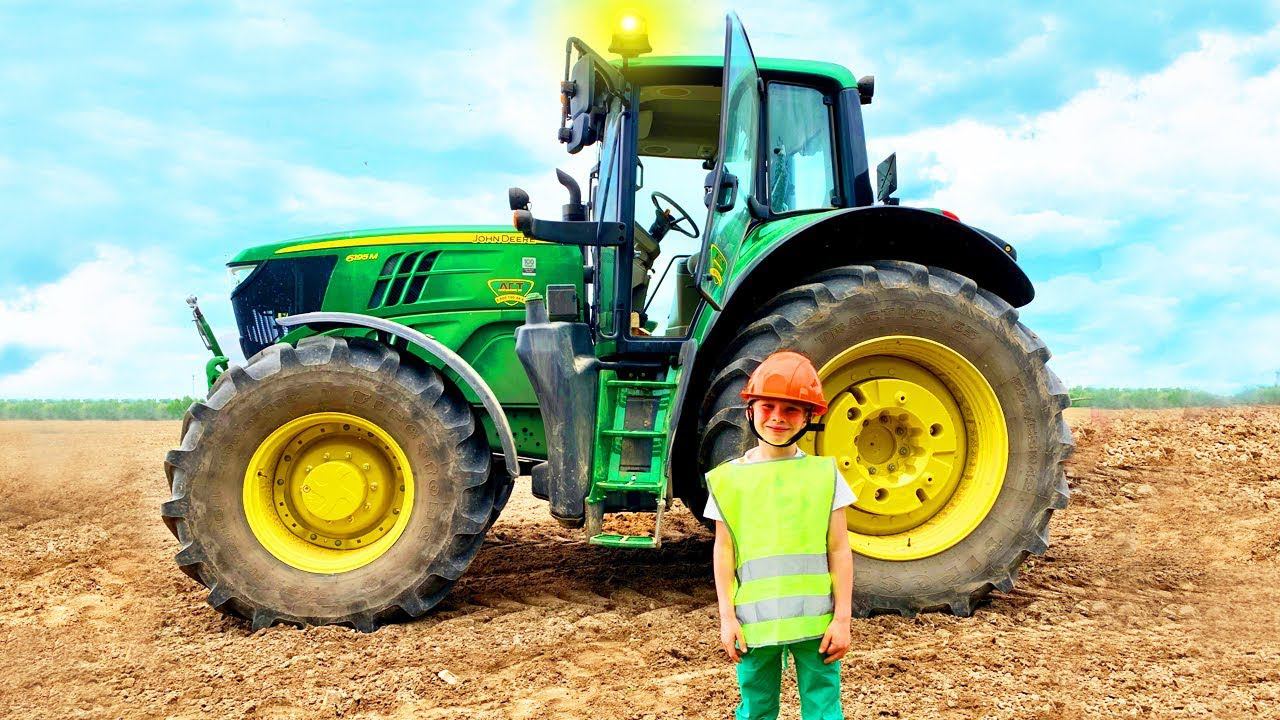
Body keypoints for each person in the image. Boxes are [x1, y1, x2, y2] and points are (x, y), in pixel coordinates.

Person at [704, 350, 854, 720]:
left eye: (791, 409)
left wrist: (842, 619)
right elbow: (724, 552)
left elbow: (839, 549)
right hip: (754, 625)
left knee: (823, 710)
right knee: (756, 708)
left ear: (808, 416)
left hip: (817, 624)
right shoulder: (727, 481)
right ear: (750, 411)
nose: (777, 417)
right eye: (767, 406)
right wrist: (727, 618)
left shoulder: (825, 475)